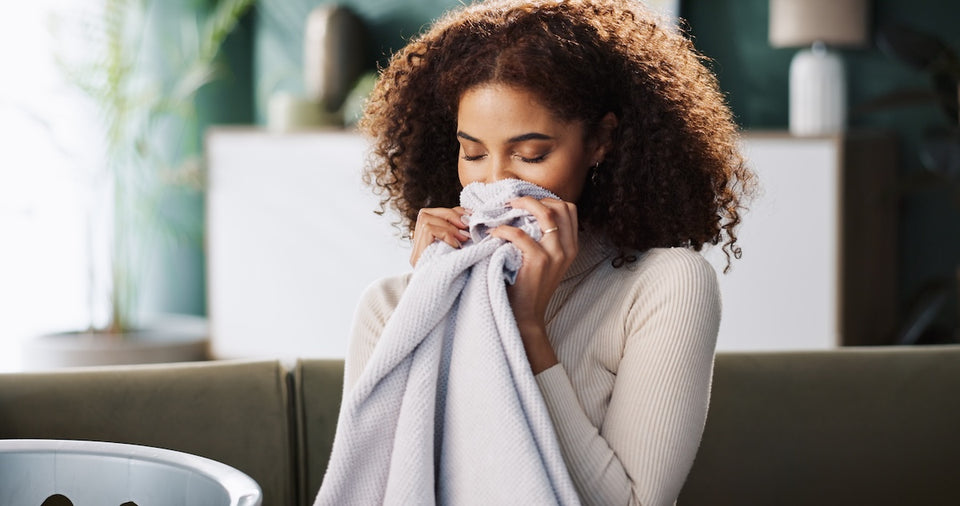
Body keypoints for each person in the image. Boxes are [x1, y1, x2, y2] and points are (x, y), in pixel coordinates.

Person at [344, 0, 752, 504]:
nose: (495, 181)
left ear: (599, 142)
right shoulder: (389, 308)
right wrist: (433, 302)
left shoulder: (665, 287)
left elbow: (630, 503)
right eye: (472, 153)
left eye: (531, 154)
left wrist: (526, 330)